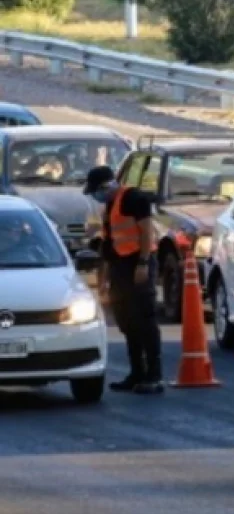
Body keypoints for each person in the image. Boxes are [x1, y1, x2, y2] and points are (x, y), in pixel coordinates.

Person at [83, 164, 164, 395]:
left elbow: (147, 233)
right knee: (126, 320)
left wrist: (143, 263)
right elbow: (108, 247)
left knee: (145, 318)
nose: (97, 197)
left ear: (107, 185)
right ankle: (136, 372)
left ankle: (154, 375)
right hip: (121, 266)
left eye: (97, 191)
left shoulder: (135, 199)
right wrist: (104, 280)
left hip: (138, 262)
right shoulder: (110, 206)